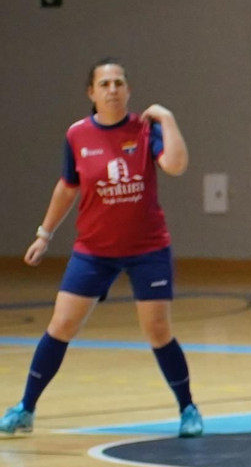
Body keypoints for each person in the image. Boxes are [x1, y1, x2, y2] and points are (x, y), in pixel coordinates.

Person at [3, 60, 201, 438]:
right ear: (91, 93)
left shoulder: (145, 130)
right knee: (61, 325)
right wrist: (44, 234)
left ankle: (188, 409)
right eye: (104, 83)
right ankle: (25, 408)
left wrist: (167, 117)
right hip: (93, 249)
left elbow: (176, 165)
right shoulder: (77, 134)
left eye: (119, 82)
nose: (112, 89)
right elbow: (67, 187)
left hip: (147, 249)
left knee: (157, 330)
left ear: (128, 91)